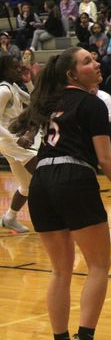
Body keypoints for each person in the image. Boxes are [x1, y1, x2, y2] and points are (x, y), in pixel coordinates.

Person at [10, 46, 111, 339]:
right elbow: (106, 159)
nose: (96, 64)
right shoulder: (91, 104)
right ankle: (85, 337)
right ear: (72, 74)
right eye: (87, 62)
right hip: (73, 176)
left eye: (95, 59)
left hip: (41, 181)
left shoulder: (50, 102)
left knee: (60, 271)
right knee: (98, 265)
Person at [0, 55, 39, 233]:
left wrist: (29, 81)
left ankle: (9, 218)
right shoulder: (4, 91)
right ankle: (58, 217)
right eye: (14, 68)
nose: (18, 70)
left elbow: (34, 101)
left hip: (11, 142)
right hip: (10, 141)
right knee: (44, 175)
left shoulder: (13, 87)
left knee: (27, 185)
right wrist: (16, 139)